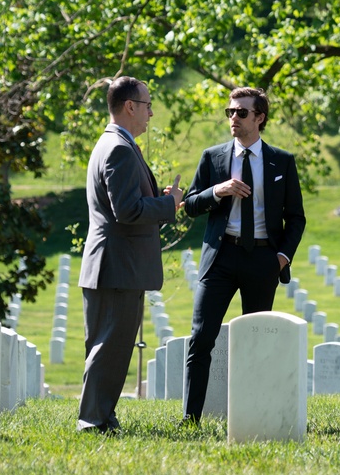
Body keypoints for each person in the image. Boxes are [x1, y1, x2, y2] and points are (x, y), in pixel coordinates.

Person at [181, 87, 306, 425]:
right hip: (220, 258)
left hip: (263, 259)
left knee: (256, 342)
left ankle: (256, 416)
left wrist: (281, 257)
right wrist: (216, 191)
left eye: (241, 112)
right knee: (201, 337)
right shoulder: (213, 157)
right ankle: (190, 418)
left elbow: (296, 217)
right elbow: (190, 205)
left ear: (260, 118)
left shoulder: (282, 161)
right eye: (230, 112)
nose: (233, 118)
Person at [77, 76, 184, 433]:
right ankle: (93, 421)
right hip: (117, 265)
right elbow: (127, 210)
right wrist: (168, 204)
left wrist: (159, 199)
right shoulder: (119, 148)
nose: (151, 113)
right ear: (130, 107)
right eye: (148, 105)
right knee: (110, 347)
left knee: (109, 345)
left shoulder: (113, 143)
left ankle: (101, 416)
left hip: (111, 264)